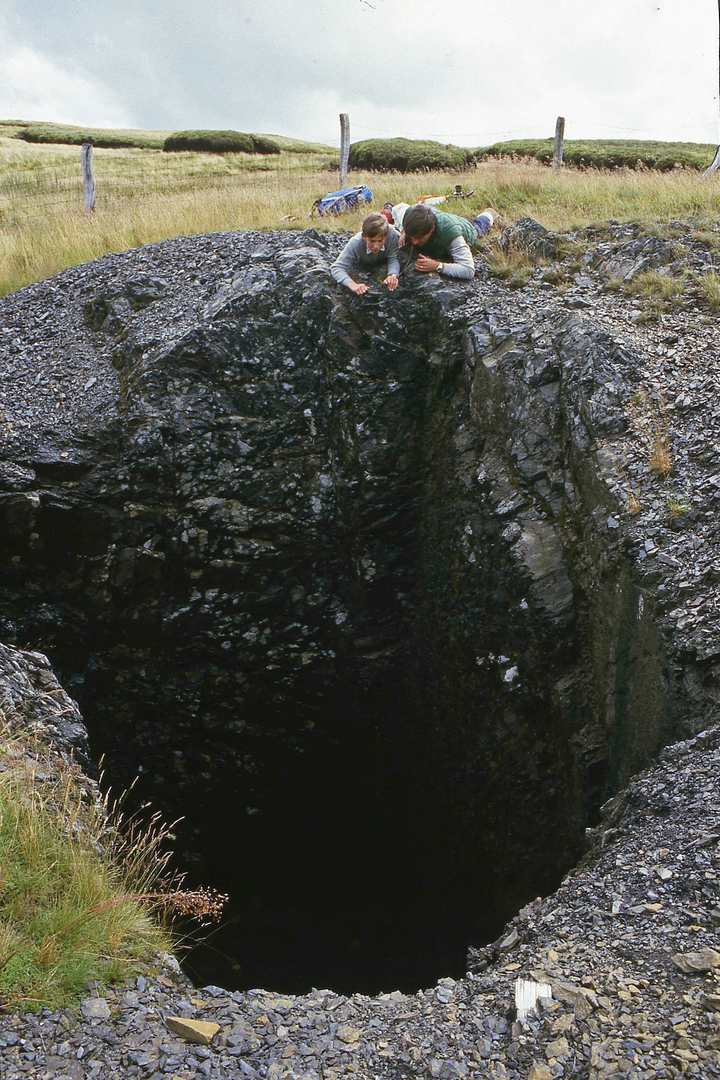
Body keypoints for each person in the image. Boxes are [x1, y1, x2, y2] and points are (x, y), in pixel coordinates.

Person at [397, 203, 494, 281]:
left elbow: (468, 270)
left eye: (419, 238)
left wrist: (438, 266)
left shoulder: (451, 234)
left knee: (479, 227)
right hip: (446, 218)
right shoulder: (410, 213)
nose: (414, 242)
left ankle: (488, 215)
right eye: (412, 237)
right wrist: (404, 231)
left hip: (468, 230)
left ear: (432, 229)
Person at [330, 212, 401, 295]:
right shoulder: (355, 242)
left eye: (380, 241)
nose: (376, 246)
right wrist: (353, 285)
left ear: (385, 237)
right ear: (364, 237)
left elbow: (393, 257)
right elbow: (336, 268)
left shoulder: (392, 235)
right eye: (372, 241)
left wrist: (393, 275)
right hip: (362, 265)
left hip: (383, 263)